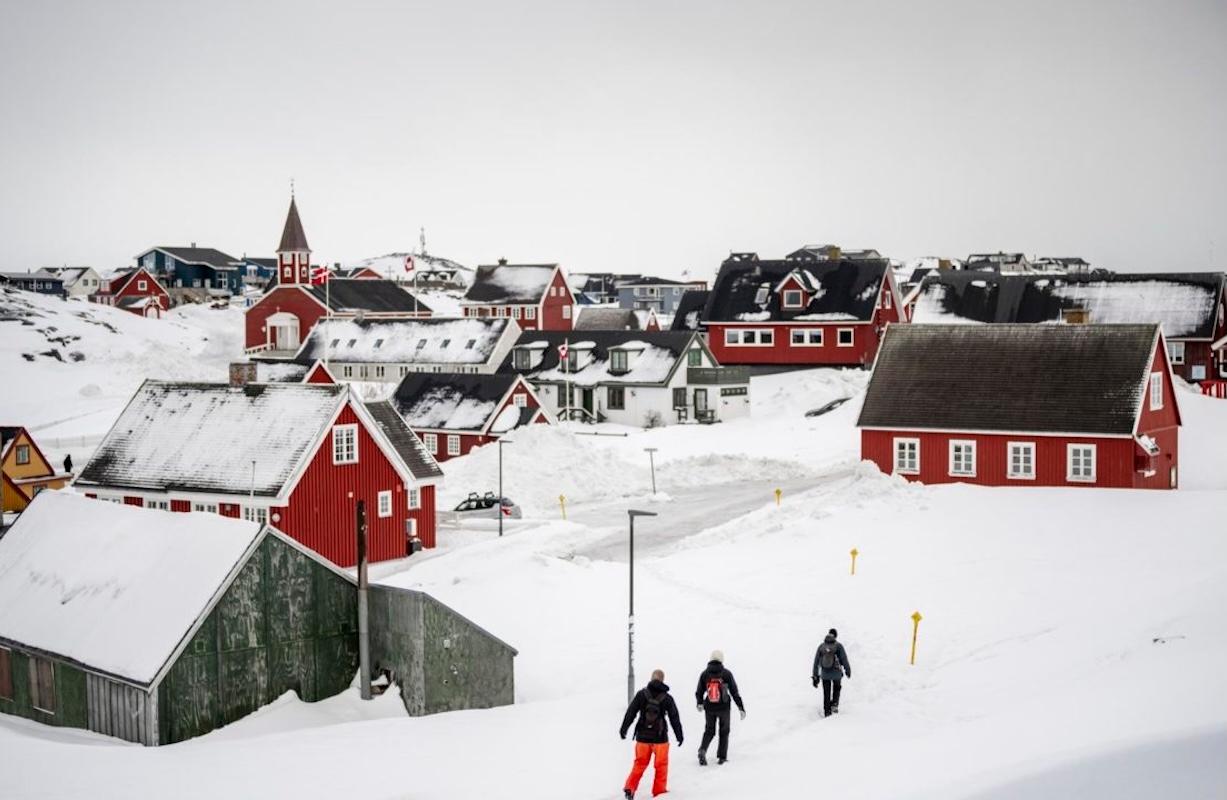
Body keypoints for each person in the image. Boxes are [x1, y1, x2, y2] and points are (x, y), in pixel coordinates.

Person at [620, 668, 683, 799]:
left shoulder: (641, 694)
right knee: (661, 766)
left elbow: (631, 712)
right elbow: (674, 718)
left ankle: (629, 788)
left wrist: (624, 728)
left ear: (651, 678)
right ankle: (659, 793)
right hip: (660, 739)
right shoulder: (667, 698)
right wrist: (679, 735)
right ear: (662, 680)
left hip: (642, 738)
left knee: (639, 763)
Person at [693, 649, 745, 766]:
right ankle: (722, 757)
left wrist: (699, 702)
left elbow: (699, 691)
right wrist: (741, 707)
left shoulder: (704, 674)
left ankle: (702, 749)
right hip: (724, 708)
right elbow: (734, 692)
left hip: (709, 707)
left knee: (709, 731)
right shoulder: (726, 674)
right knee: (724, 731)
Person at [812, 628, 851, 717]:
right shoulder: (838, 646)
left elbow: (816, 662)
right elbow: (844, 659)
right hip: (837, 674)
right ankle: (834, 704)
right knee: (837, 688)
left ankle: (827, 712)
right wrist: (847, 670)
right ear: (836, 636)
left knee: (826, 693)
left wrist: (815, 676)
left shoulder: (821, 646)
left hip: (825, 675)